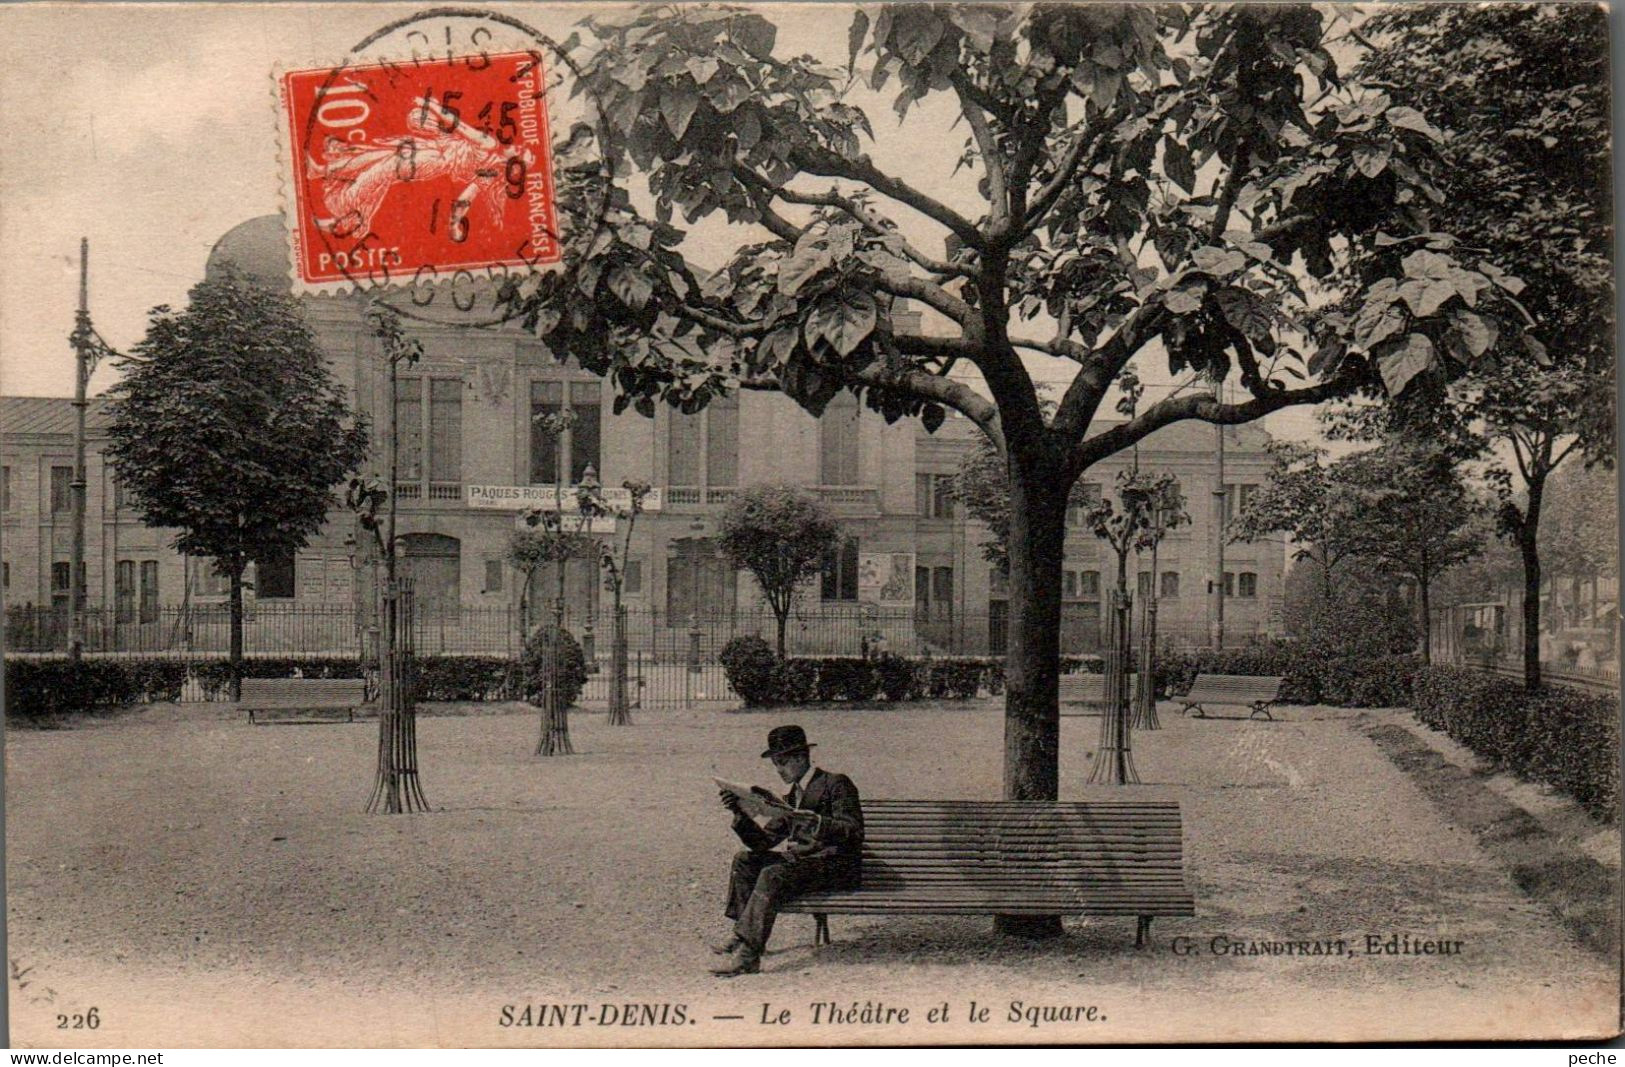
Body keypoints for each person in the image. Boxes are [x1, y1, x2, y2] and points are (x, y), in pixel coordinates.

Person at [710, 725, 864, 976]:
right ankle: (742, 933)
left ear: (801, 757)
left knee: (773, 873)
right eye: (776, 764)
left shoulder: (835, 784)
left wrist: (818, 823)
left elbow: (855, 831)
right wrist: (739, 813)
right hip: (806, 866)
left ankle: (749, 955)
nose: (778, 770)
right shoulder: (791, 798)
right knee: (745, 860)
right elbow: (763, 843)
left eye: (782, 763)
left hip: (835, 866)